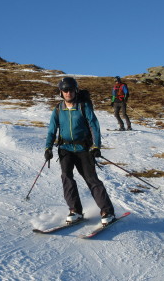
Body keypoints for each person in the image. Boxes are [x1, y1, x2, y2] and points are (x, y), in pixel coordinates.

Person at [45, 77, 116, 225]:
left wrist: (96, 146)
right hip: (65, 149)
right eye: (65, 90)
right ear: (61, 92)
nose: (68, 93)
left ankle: (107, 211)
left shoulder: (83, 106)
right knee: (66, 177)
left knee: (91, 179)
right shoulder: (58, 109)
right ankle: (75, 210)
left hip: (83, 149)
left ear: (75, 90)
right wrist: (48, 148)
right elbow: (52, 130)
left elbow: (94, 126)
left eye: (71, 90)